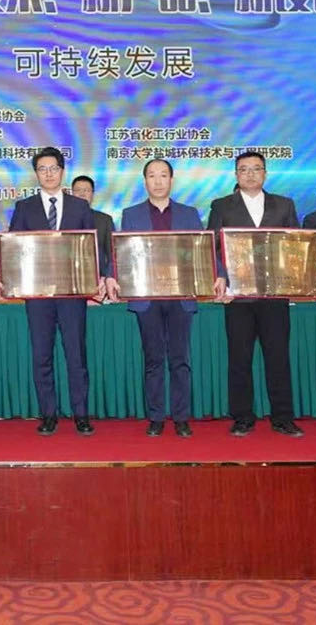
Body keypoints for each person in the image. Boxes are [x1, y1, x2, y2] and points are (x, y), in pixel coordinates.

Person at [6, 147, 117, 437]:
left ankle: (81, 414)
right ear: (36, 173)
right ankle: (48, 415)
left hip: (72, 294)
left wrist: (98, 278)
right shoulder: (24, 208)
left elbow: (92, 249)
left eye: (53, 168)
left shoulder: (79, 207)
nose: (48, 174)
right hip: (38, 295)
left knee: (76, 355)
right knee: (42, 356)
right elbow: (13, 249)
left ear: (62, 171)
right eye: (42, 169)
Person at [207, 150, 304, 437]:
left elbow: (296, 246)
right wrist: (222, 278)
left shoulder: (284, 204)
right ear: (236, 174)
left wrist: (294, 280)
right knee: (239, 358)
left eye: (256, 168)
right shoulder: (222, 205)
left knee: (278, 357)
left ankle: (283, 417)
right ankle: (242, 417)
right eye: (244, 169)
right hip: (238, 296)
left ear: (265, 173)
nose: (250, 174)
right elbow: (212, 246)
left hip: (275, 293)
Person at [120, 158, 203, 437]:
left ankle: (181, 417)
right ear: (145, 181)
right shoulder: (131, 214)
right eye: (152, 176)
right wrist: (112, 275)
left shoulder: (189, 214)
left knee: (180, 359)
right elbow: (123, 253)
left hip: (181, 296)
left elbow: (200, 252)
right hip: (147, 297)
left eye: (163, 175)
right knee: (153, 359)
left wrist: (217, 275)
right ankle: (156, 416)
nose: (158, 181)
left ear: (171, 180)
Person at [70, 174, 116, 269]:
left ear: (93, 194)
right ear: (71, 193)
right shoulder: (62, 218)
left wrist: (108, 275)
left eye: (86, 190)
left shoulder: (105, 220)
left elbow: (112, 254)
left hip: (99, 274)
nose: (82, 194)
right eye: (78, 190)